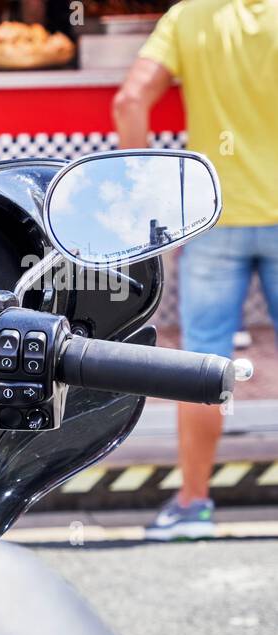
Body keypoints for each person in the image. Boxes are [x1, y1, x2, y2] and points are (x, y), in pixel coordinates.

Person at [112, 0, 278, 540]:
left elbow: (131, 99)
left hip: (215, 216)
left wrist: (142, 203)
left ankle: (192, 506)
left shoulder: (190, 17)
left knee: (204, 367)